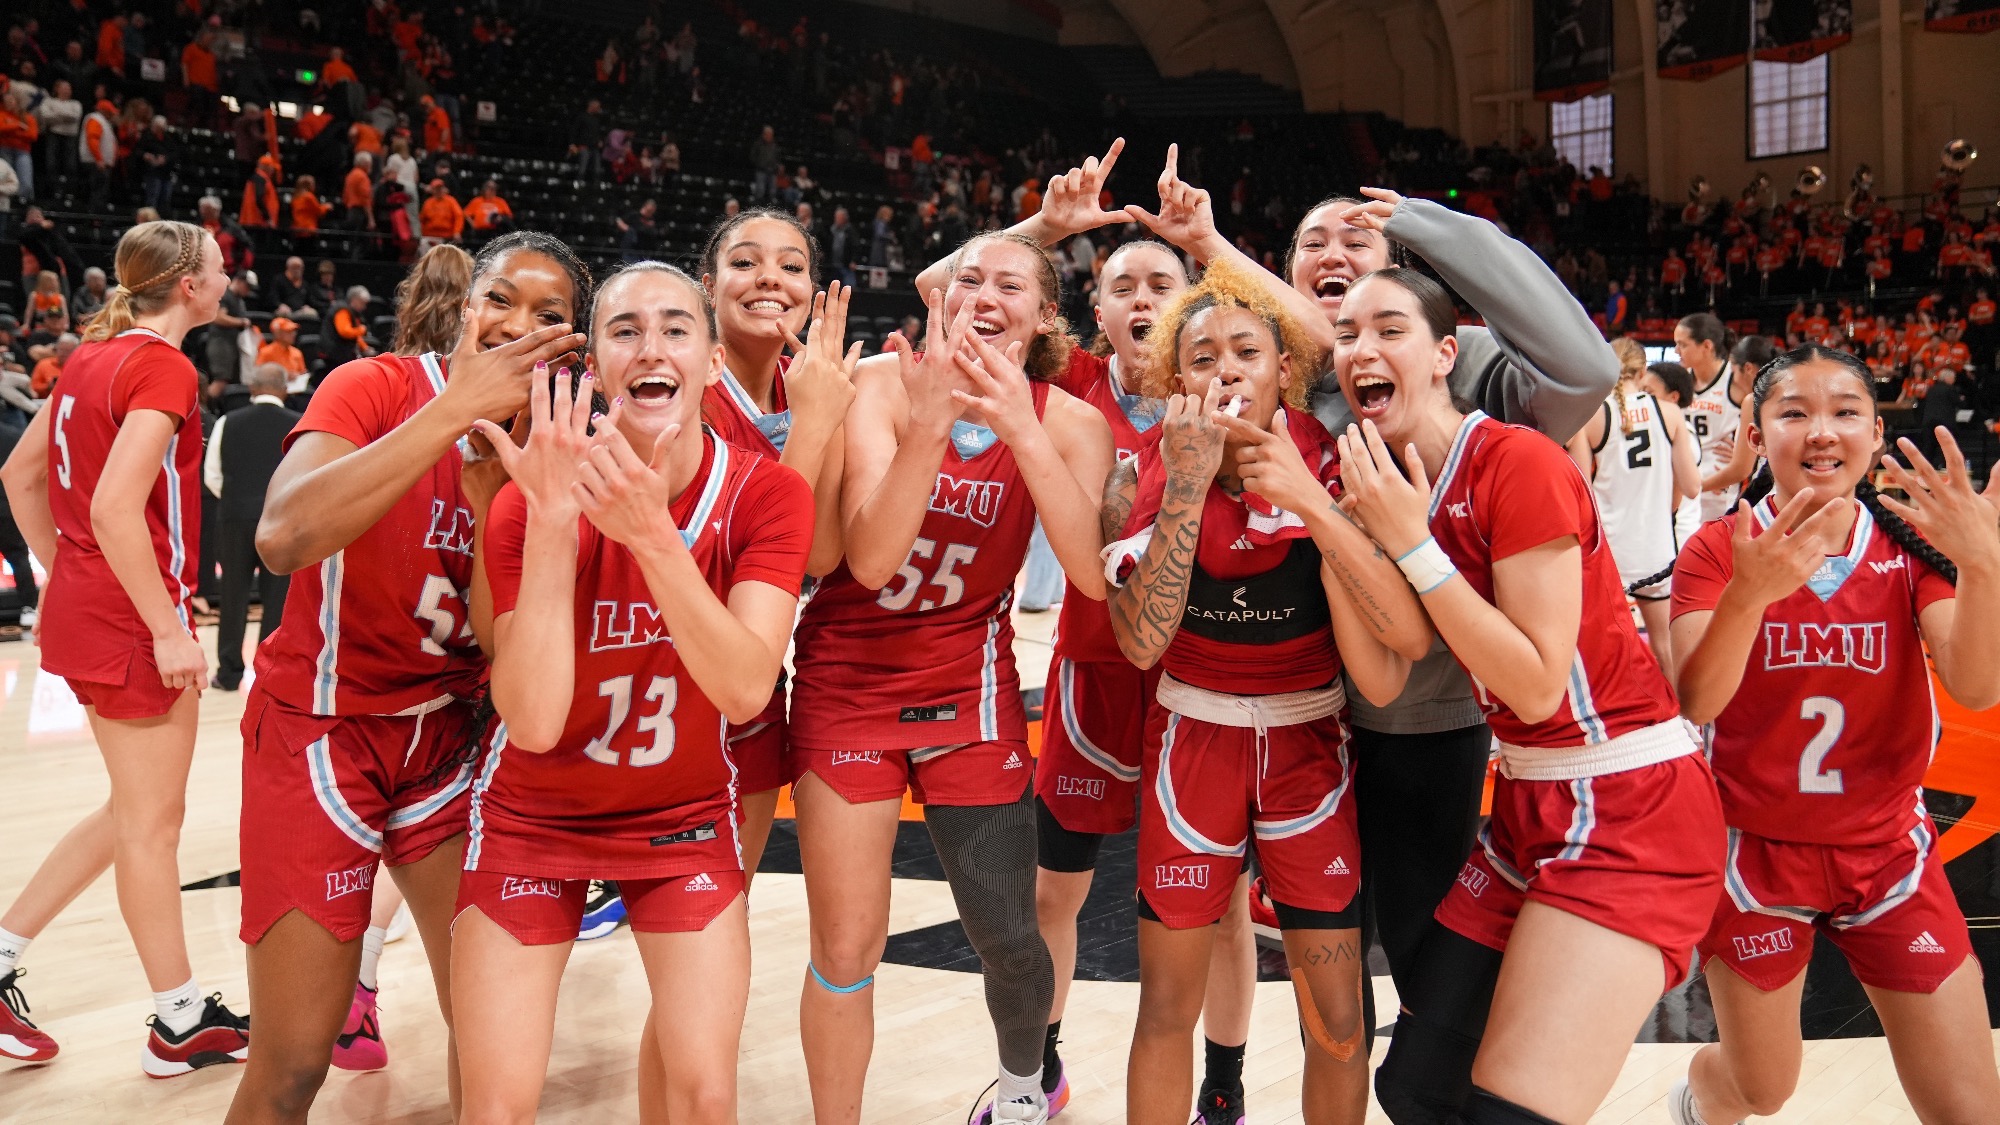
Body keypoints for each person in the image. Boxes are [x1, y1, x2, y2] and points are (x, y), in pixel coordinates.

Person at [1124, 150, 1618, 1072]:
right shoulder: (1298, 375)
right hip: (1295, 723)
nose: (1331, 248)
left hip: (1412, 720)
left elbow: (1583, 365)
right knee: (1315, 986)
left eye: (1359, 235)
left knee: (1427, 983)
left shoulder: (1453, 366)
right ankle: (1240, 1082)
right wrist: (1208, 251)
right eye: (1311, 241)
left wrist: (1434, 226)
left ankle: (1451, 1096)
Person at [1328, 267, 1724, 1124]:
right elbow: (1389, 676)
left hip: (1629, 807)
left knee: (1511, 1113)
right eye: (1346, 334)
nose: (1361, 347)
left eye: (1388, 328)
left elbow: (1540, 685)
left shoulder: (1518, 459)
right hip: (1529, 807)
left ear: (1444, 354)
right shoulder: (1386, 485)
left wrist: (1406, 543)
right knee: (1415, 1086)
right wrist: (1327, 521)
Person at [220, 231, 587, 1123]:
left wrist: (489, 499)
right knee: (295, 1063)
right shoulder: (375, 386)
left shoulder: (562, 447)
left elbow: (512, 651)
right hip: (322, 729)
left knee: (492, 1036)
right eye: (501, 299)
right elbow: (282, 535)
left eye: (551, 315)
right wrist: (450, 415)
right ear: (467, 304)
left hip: (451, 743)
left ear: (576, 343)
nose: (518, 326)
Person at [454, 263, 814, 1123]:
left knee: (705, 1095)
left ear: (713, 359)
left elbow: (742, 689)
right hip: (531, 817)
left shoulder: (767, 494)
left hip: (681, 816)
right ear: (597, 364)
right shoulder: (531, 499)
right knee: (496, 1106)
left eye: (675, 328)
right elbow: (533, 721)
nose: (651, 347)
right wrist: (546, 527)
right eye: (624, 330)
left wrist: (654, 537)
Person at [788, 230, 1115, 1125]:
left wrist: (1017, 421)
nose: (986, 293)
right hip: (845, 686)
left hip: (967, 690)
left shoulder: (1073, 422)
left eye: (1012, 283)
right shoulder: (881, 387)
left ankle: (1024, 1089)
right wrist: (933, 420)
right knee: (847, 946)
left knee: (1009, 936)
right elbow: (870, 556)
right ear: (941, 295)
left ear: (1044, 315)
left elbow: (1088, 577)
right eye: (968, 277)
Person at [1104, 262, 1429, 1125]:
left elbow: (1399, 647)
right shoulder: (1147, 466)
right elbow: (1140, 642)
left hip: (1308, 745)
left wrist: (1311, 507)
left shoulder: (1341, 462)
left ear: (1285, 368)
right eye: (1202, 356)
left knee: (1336, 1022)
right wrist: (1183, 483)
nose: (1224, 370)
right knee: (1167, 1010)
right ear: (1179, 382)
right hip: (1192, 741)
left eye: (1246, 349)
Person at [1666, 347, 2000, 1125]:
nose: (1822, 431)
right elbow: (1699, 698)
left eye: (1846, 411)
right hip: (1754, 852)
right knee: (1763, 1089)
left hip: (1888, 849)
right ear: (1756, 433)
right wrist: (1749, 595)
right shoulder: (1716, 551)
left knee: (1972, 1112)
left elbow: (1977, 684)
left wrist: (1984, 566)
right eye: (1794, 412)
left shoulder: (1911, 551)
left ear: (1877, 434)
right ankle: (1700, 1098)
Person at [0, 220, 252, 1074]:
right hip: (131, 620)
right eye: (220, 267)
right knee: (152, 826)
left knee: (128, 813)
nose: (228, 276)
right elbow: (113, 508)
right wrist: (166, 624)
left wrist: (67, 573)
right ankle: (179, 1023)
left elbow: (18, 478)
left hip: (87, 608)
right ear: (189, 285)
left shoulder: (88, 355)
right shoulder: (161, 364)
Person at [1566, 336, 1698, 677]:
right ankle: (1685, 723)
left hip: (1610, 551)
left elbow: (1580, 490)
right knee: (1665, 647)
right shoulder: (1669, 412)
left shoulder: (1590, 415)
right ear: (1643, 372)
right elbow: (1693, 487)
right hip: (1656, 549)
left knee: (1605, 649)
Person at [203, 363, 300, 692]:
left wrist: (238, 502)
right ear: (285, 389)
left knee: (233, 595)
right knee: (277, 598)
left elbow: (212, 476)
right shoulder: (298, 424)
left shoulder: (227, 422)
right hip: (282, 520)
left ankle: (229, 673)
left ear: (251, 388)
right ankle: (269, 672)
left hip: (235, 518)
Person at [1677, 313, 1754, 522]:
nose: (1676, 351)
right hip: (1684, 485)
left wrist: (1748, 457)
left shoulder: (1735, 378)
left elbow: (1765, 424)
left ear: (1707, 346)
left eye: (1682, 344)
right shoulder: (1679, 380)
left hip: (1720, 487)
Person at [256, 317, 307, 381]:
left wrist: (297, 375)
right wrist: (284, 377)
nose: (293, 334)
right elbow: (259, 376)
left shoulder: (297, 353)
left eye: (294, 331)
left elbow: (303, 373)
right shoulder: (265, 352)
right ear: (278, 334)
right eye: (289, 331)